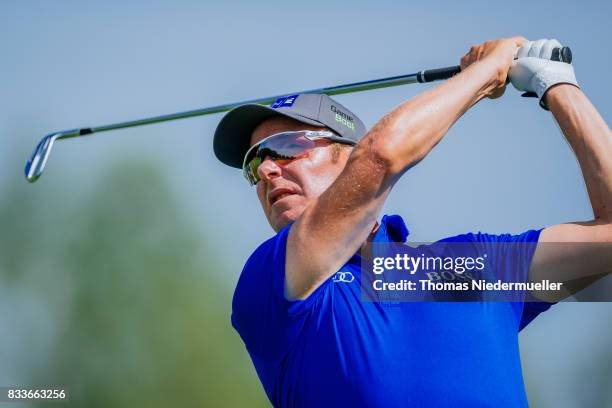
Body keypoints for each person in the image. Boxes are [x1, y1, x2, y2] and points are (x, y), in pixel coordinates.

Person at [213, 37, 611, 407]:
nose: (266, 170)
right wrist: (488, 71)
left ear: (348, 158)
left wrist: (557, 85)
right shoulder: (273, 283)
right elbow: (383, 156)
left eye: (286, 148)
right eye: (254, 162)